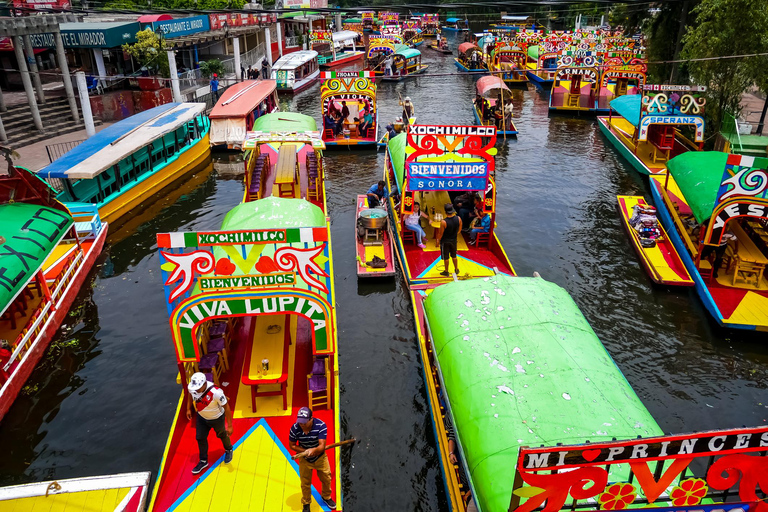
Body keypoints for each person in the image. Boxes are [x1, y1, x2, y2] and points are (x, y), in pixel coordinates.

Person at [288, 407, 336, 511]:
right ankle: (306, 502)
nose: (302, 425)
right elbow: (292, 445)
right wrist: (305, 451)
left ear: (311, 419)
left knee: (326, 479)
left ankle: (326, 497)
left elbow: (322, 446)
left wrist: (313, 450)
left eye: (304, 422)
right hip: (304, 459)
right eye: (300, 422)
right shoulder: (295, 428)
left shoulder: (321, 426)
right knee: (305, 483)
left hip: (320, 458)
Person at [186, 372, 233, 474]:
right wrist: (188, 409)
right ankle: (203, 460)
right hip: (201, 417)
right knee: (200, 438)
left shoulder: (216, 392)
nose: (196, 390)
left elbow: (226, 407)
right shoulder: (193, 388)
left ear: (204, 384)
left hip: (217, 418)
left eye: (198, 388)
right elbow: (190, 394)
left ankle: (229, 449)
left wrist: (229, 425)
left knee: (222, 435)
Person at [436, 203, 462, 276]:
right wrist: (455, 234)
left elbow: (440, 233)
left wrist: (438, 241)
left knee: (446, 257)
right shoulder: (458, 218)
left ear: (445, 212)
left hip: (445, 241)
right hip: (454, 240)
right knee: (454, 256)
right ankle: (456, 269)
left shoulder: (443, 222)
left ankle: (446, 271)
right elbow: (460, 229)